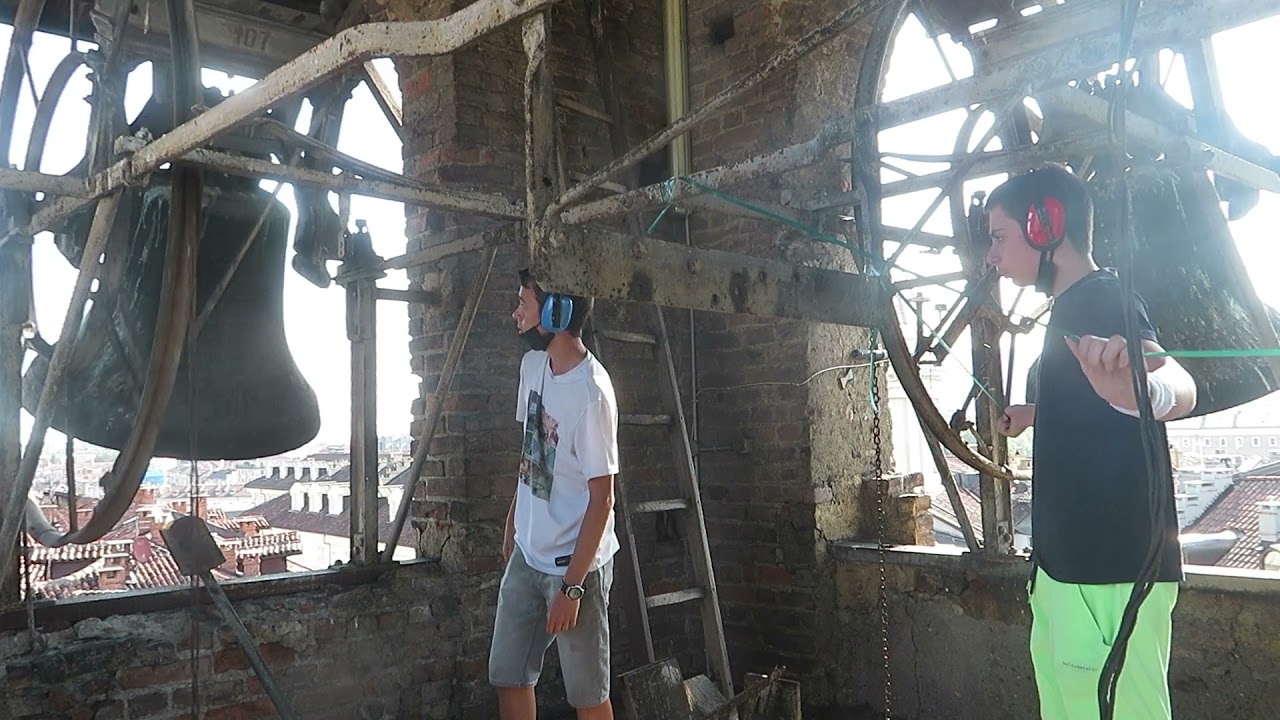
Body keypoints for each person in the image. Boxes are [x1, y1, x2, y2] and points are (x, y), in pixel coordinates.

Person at [985, 164, 1197, 720]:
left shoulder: (1103, 297)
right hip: (1066, 571)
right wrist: (1036, 414)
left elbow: (1180, 385)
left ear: (1045, 224)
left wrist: (1145, 394)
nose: (992, 256)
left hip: (1109, 575)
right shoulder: (1068, 310)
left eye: (999, 237)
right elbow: (1096, 401)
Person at [489, 268, 620, 720]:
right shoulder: (531, 368)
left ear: (555, 312)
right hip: (529, 554)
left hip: (573, 565)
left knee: (588, 696)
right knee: (508, 675)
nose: (516, 314)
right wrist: (514, 519)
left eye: (523, 305)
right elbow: (532, 451)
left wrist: (574, 587)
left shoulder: (591, 394)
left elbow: (603, 501)